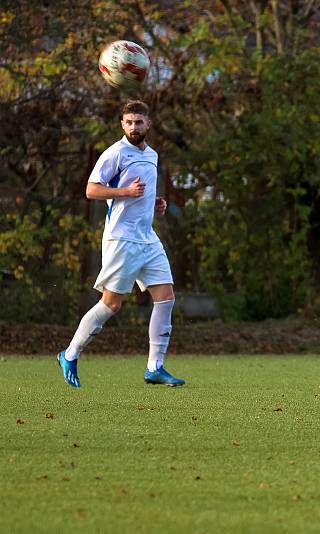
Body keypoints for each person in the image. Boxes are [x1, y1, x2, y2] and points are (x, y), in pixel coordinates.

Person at [57, 100, 185, 388]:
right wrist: (125, 191)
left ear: (148, 124)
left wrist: (155, 204)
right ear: (122, 124)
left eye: (138, 122)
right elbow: (91, 190)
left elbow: (142, 196)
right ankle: (70, 353)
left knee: (166, 297)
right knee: (112, 304)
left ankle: (155, 367)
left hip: (147, 237)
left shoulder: (152, 155)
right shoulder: (115, 153)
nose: (133, 127)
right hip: (121, 239)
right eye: (128, 122)